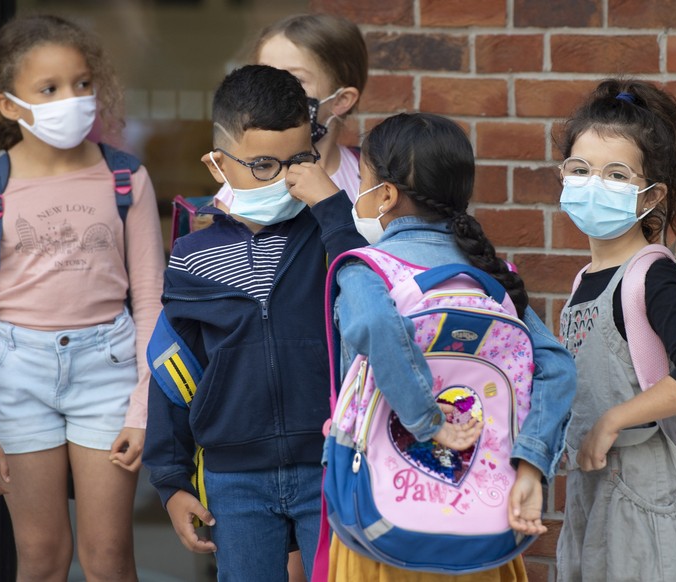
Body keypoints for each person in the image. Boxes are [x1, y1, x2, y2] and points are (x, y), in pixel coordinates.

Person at [0, 14, 164, 582]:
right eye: (50, 89)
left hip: (108, 372)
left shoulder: (127, 180)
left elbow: (152, 304)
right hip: (14, 374)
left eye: (82, 83)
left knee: (109, 558)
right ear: (11, 105)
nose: (73, 99)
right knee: (41, 557)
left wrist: (144, 410)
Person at [324, 112, 576, 581]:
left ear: (385, 195)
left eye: (361, 179)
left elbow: (378, 324)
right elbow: (557, 366)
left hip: (383, 520)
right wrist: (530, 465)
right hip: (481, 524)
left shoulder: (365, 269)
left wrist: (428, 421)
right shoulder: (492, 278)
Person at [142, 64, 366, 582]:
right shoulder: (191, 257)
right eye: (262, 164)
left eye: (299, 162)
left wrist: (333, 208)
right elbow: (171, 370)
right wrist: (172, 481)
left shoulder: (332, 231)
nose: (284, 178)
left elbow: (366, 289)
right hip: (233, 478)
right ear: (219, 163)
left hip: (328, 464)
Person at [555, 79, 676, 581]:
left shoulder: (653, 274)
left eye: (616, 174)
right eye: (580, 170)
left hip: (640, 491)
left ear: (652, 196)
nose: (592, 183)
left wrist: (611, 422)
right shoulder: (584, 279)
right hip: (590, 489)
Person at [214, 13, 367, 212]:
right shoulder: (248, 181)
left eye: (295, 78)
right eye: (265, 76)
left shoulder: (366, 177)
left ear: (341, 100)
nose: (276, 90)